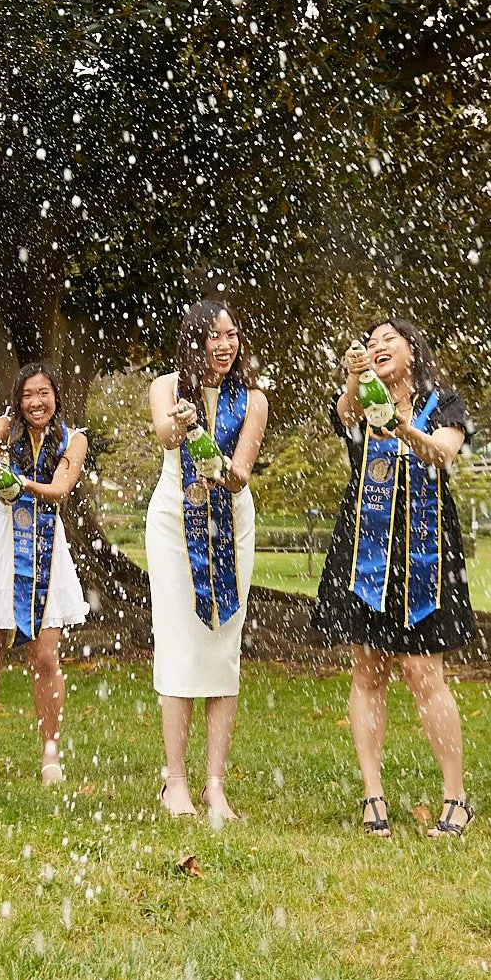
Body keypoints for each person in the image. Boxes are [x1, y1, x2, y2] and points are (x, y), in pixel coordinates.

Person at [314, 318, 476, 838]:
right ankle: (373, 795)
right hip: (364, 549)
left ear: (413, 351)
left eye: (389, 340)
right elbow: (345, 413)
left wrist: (400, 426)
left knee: (425, 675)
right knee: (367, 673)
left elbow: (441, 452)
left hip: (425, 549)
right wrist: (354, 378)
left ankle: (456, 797)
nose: (378, 346)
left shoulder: (443, 403)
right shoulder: (361, 401)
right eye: (372, 342)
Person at [145, 300, 269, 820]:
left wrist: (223, 468)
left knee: (222, 648)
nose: (225, 344)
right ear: (194, 341)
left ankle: (215, 783)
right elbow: (164, 436)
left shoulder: (254, 399)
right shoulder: (166, 386)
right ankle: (175, 782)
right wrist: (183, 425)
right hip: (174, 523)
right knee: (178, 644)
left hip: (232, 526)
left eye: (231, 334)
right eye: (214, 335)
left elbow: (241, 474)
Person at [0, 362, 90, 785]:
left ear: (56, 395)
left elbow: (59, 489)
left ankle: (51, 755)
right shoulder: (6, 426)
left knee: (44, 656)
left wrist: (17, 482)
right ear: (18, 399)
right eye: (27, 394)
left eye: (43, 393)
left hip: (46, 545)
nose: (36, 402)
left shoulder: (73, 439)